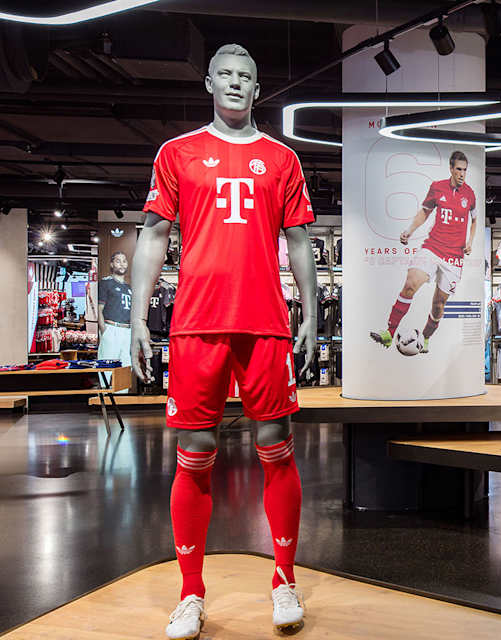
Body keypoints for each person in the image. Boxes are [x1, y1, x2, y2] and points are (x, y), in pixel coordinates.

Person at [130, 44, 316, 639]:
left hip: (264, 321)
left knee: (276, 443)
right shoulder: (177, 153)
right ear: (210, 81)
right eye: (227, 74)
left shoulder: (282, 159)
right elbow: (154, 235)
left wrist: (310, 311)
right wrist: (138, 316)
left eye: (247, 77)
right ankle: (190, 592)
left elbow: (300, 243)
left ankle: (283, 580)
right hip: (196, 322)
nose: (236, 83)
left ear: (257, 89)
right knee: (194, 452)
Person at [369, 150, 478, 355]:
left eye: (465, 170)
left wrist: (469, 242)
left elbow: (474, 220)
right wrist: (409, 231)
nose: (462, 174)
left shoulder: (470, 194)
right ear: (451, 169)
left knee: (438, 304)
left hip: (454, 256)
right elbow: (425, 212)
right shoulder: (437, 188)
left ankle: (426, 337)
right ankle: (389, 333)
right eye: (459, 169)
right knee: (410, 283)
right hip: (433, 246)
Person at [97, 251, 132, 383]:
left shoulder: (128, 287)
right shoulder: (106, 283)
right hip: (112, 328)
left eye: (124, 261)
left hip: (127, 330)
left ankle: (121, 401)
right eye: (118, 261)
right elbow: (99, 310)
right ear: (112, 264)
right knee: (107, 366)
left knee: (126, 367)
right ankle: (105, 399)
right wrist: (104, 331)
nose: (122, 264)